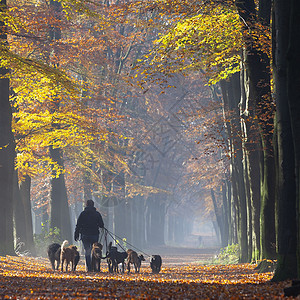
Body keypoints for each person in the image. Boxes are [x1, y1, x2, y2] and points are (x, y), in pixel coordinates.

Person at [74, 199, 104, 272]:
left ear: (86, 205)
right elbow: (101, 225)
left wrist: (76, 234)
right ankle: (96, 268)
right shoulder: (97, 214)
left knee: (87, 251)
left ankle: (89, 268)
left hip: (85, 235)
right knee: (94, 250)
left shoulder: (83, 214)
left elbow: (78, 225)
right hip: (94, 234)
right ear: (93, 205)